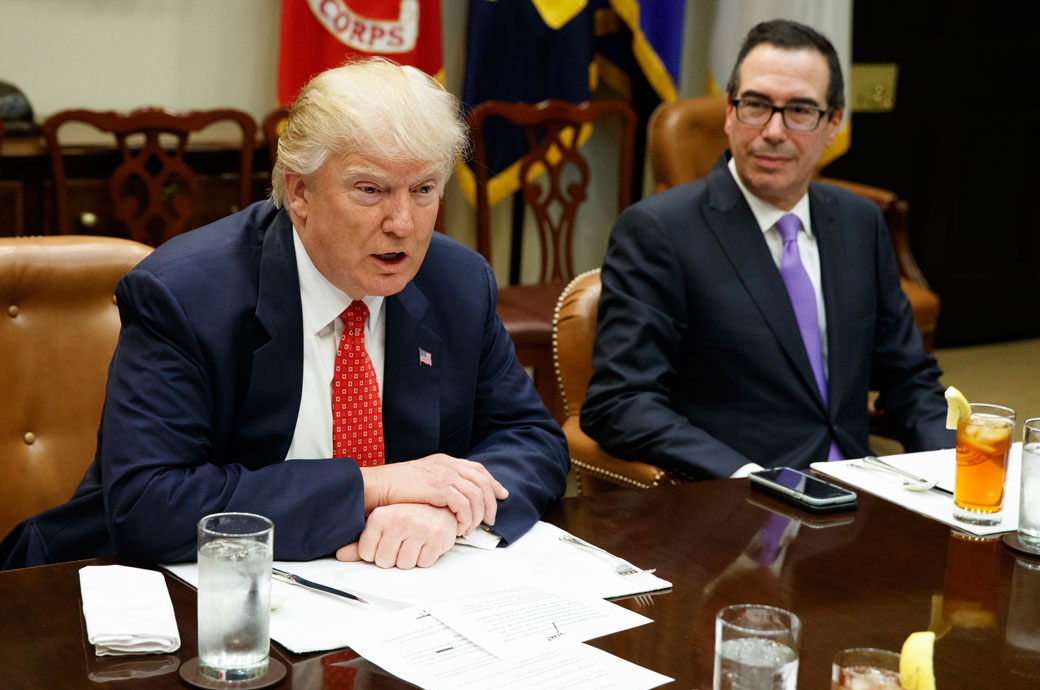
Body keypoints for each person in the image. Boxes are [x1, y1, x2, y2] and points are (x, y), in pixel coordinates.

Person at [1, 58, 568, 570]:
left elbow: (531, 439)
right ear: (299, 193)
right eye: (370, 190)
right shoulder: (186, 294)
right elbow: (151, 507)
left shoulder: (456, 282)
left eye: (423, 189)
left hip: (384, 604)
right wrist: (375, 488)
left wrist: (447, 513)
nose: (404, 222)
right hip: (167, 602)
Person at [581, 19, 954, 480]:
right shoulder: (659, 230)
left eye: (799, 111)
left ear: (833, 122)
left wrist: (953, 470)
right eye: (756, 105)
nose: (773, 130)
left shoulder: (859, 222)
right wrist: (751, 478)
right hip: (741, 509)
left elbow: (908, 379)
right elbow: (619, 403)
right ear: (728, 112)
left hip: (860, 498)